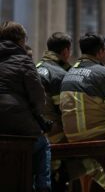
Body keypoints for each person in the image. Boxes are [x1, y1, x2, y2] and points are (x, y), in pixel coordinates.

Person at [60, 33, 105, 191]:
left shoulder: (68, 74)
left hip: (71, 137)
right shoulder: (102, 73)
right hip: (94, 134)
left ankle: (90, 170)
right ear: (101, 52)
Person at [0, 21, 51, 192]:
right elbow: (38, 97)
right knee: (43, 144)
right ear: (21, 40)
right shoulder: (23, 60)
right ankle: (43, 188)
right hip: (16, 123)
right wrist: (37, 113)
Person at [37, 32, 72, 144]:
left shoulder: (35, 67)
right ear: (66, 51)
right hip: (53, 134)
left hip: (34, 130)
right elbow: (63, 110)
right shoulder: (60, 74)